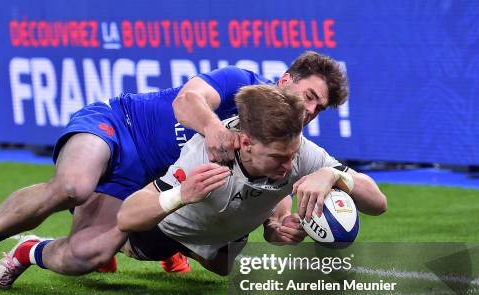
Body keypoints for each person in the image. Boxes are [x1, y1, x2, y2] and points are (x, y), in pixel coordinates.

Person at [0, 51, 349, 295]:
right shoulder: (243, 84)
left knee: (87, 256)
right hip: (123, 125)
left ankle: (27, 252)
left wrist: (277, 225)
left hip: (149, 182)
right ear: (285, 80)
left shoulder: (287, 139)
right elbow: (187, 100)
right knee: (73, 186)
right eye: (309, 95)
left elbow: (270, 185)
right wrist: (214, 128)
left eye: (320, 107)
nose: (311, 110)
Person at [116, 86, 387, 275]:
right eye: (279, 157)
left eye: (293, 155)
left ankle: (197, 251)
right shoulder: (204, 157)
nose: (290, 165)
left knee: (224, 269)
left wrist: (333, 174)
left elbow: (378, 203)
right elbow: (126, 217)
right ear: (246, 143)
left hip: (224, 229)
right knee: (91, 254)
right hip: (170, 230)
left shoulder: (302, 152)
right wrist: (181, 195)